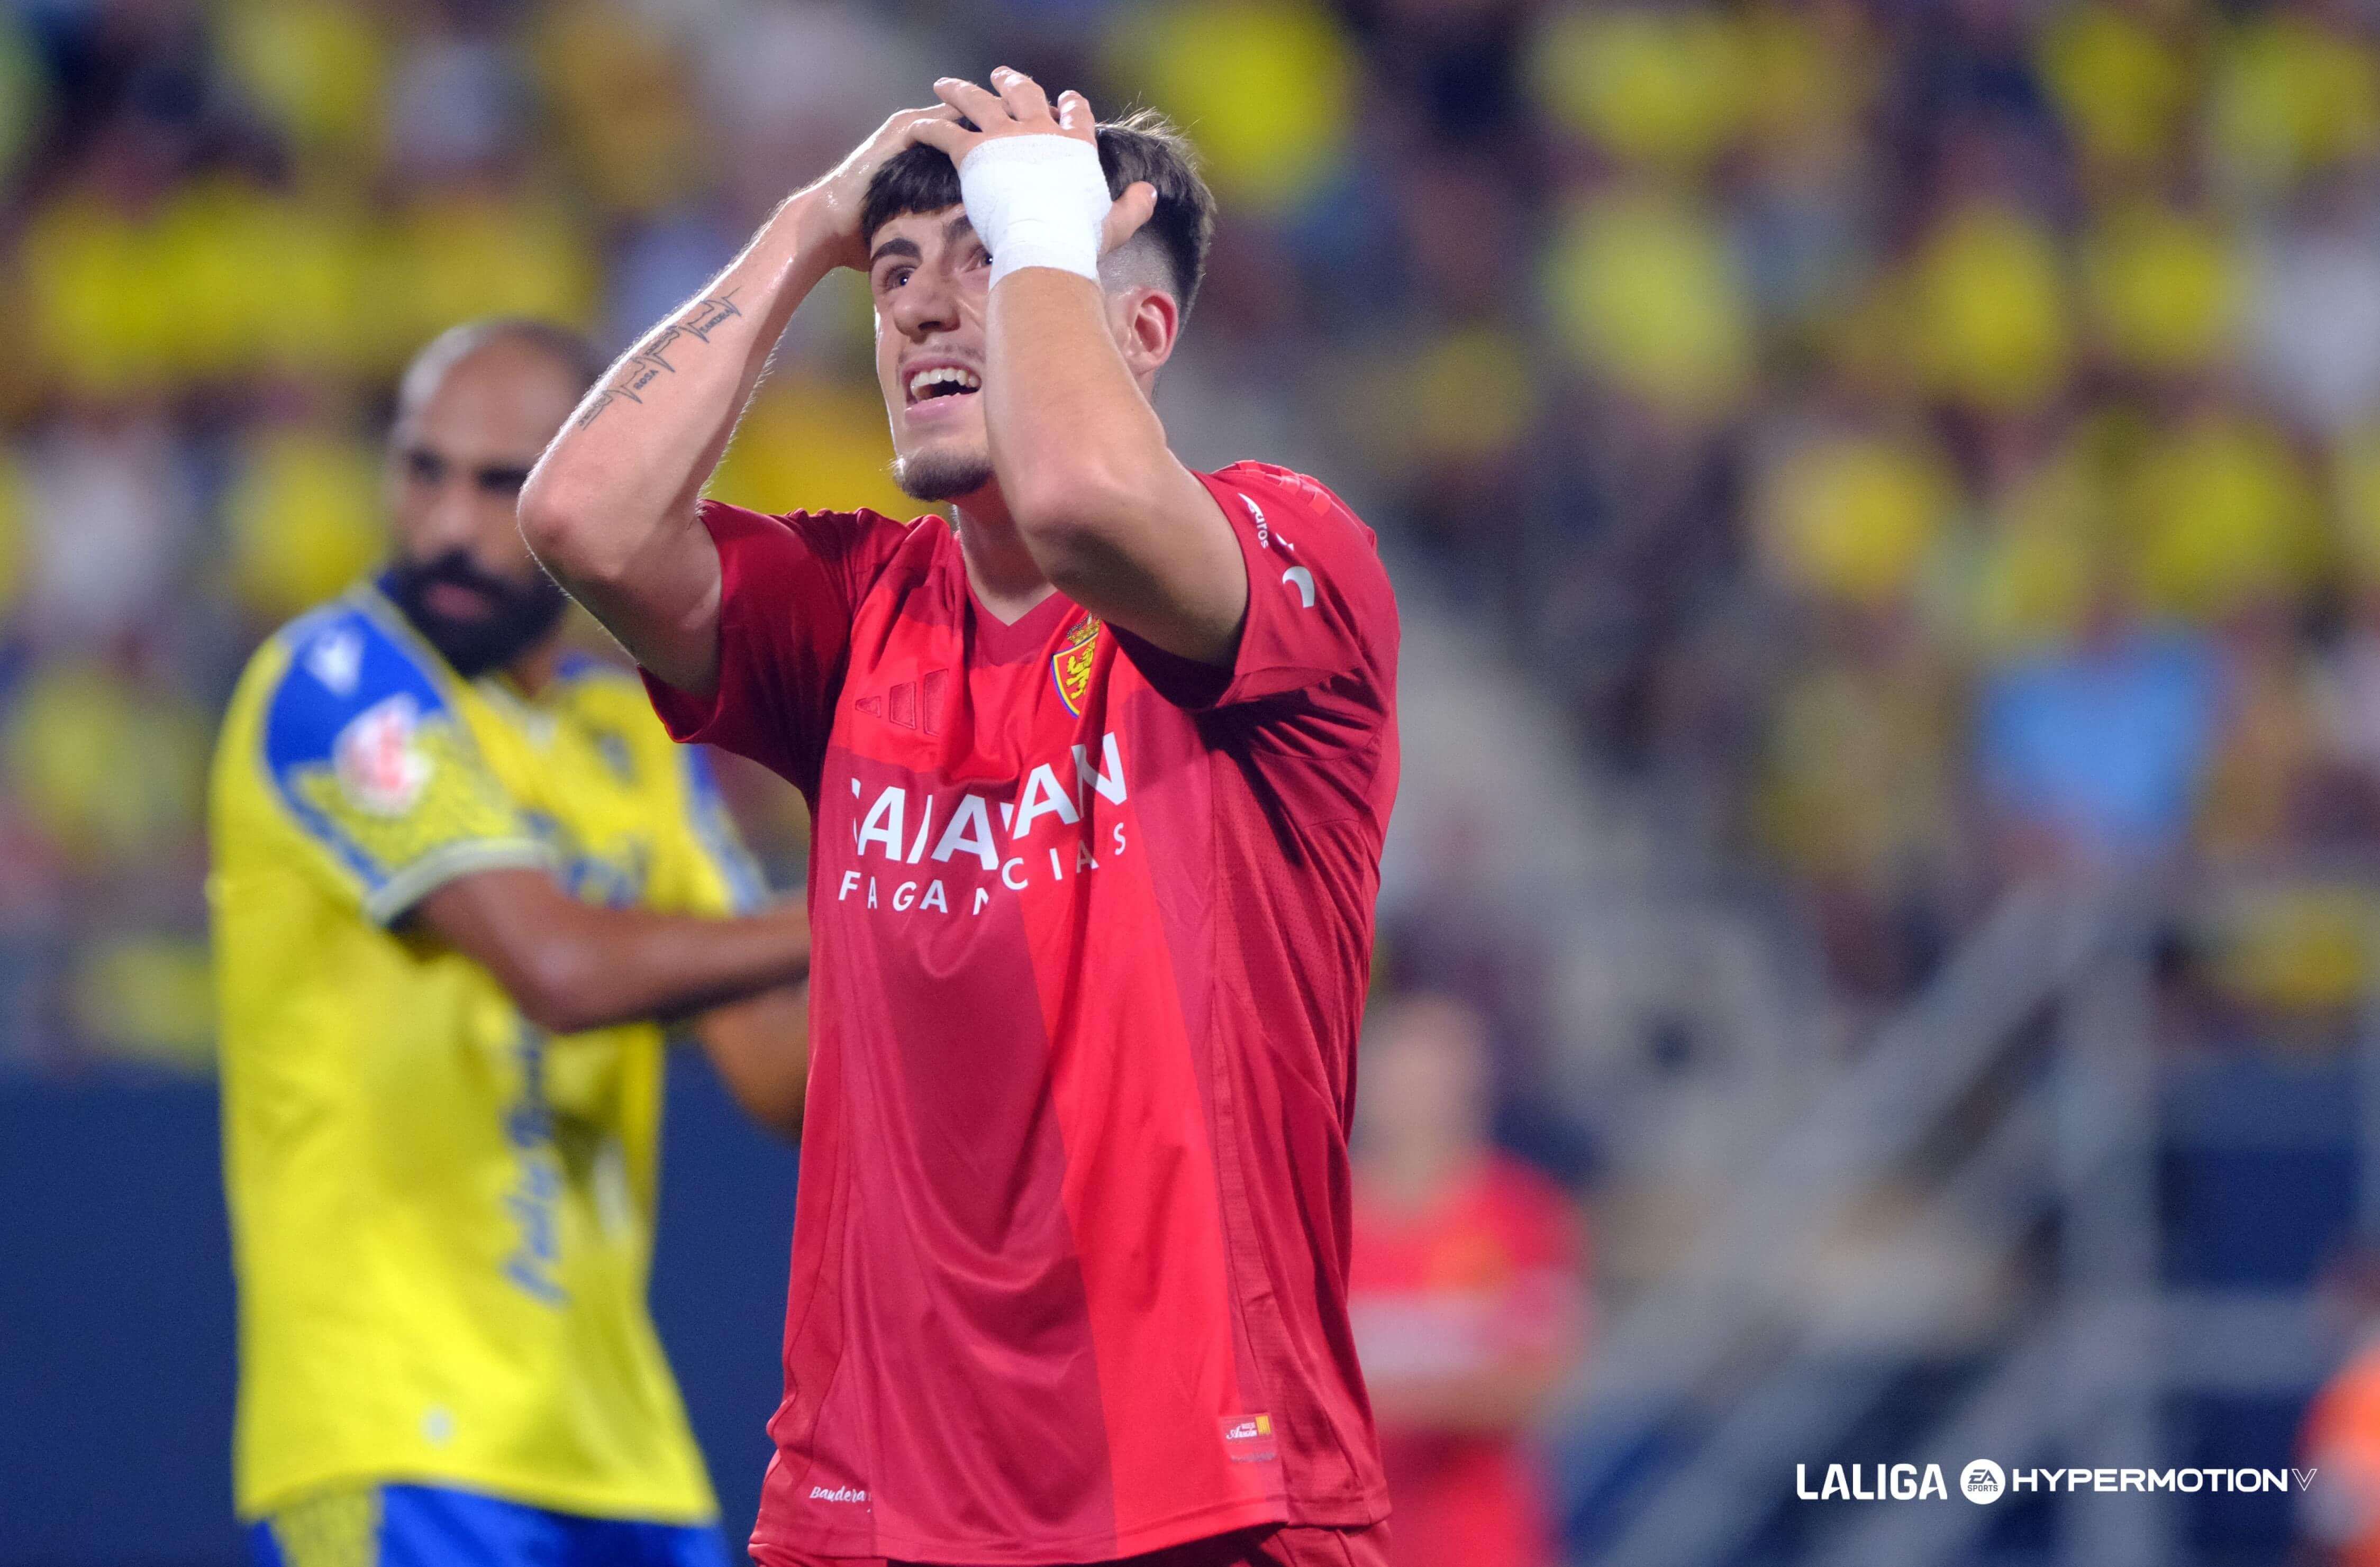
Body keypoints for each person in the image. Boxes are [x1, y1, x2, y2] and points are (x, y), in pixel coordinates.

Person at [520, 70, 1401, 1567]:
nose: (922, 307)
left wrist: (1045, 223)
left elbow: (1084, 504)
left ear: (1139, 331)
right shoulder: (853, 613)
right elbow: (580, 521)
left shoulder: (1287, 556)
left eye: (987, 259)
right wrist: (811, 227)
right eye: (897, 273)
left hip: (1214, 1504)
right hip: (872, 1506)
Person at [210, 319, 814, 1567]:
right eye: (422, 469)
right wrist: (867, 892)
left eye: (501, 484)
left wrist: (965, 907)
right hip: (392, 1437)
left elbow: (779, 1076)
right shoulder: (336, 684)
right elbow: (559, 971)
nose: (448, 524)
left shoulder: (629, 736)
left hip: (620, 1451)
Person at [1347, 996, 1587, 1567]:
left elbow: (1537, 1382)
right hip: (1351, 1545)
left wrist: (1362, 1396)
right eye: (1400, 1076)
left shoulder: (1522, 1213)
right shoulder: (1315, 1219)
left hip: (1483, 1545)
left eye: (1434, 1077)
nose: (1415, 1097)